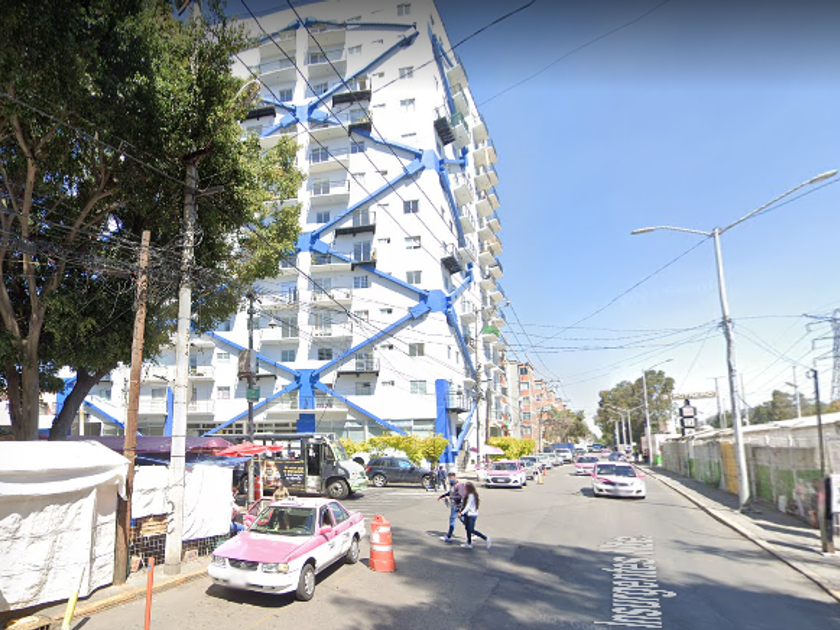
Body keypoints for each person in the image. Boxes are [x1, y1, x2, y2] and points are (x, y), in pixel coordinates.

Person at [459, 482, 491, 550]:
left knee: (471, 529)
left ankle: (486, 538)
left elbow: (468, 506)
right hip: (469, 514)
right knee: (467, 528)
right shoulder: (471, 494)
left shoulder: (471, 495)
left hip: (471, 514)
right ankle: (469, 543)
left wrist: (461, 513)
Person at [437, 472, 466, 543]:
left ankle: (449, 536)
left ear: (454, 477)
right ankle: (472, 531)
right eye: (449, 478)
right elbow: (450, 493)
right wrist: (442, 496)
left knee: (452, 519)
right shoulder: (453, 485)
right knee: (462, 519)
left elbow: (460, 496)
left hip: (457, 505)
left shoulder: (459, 485)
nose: (450, 480)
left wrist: (450, 497)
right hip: (455, 505)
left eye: (450, 478)